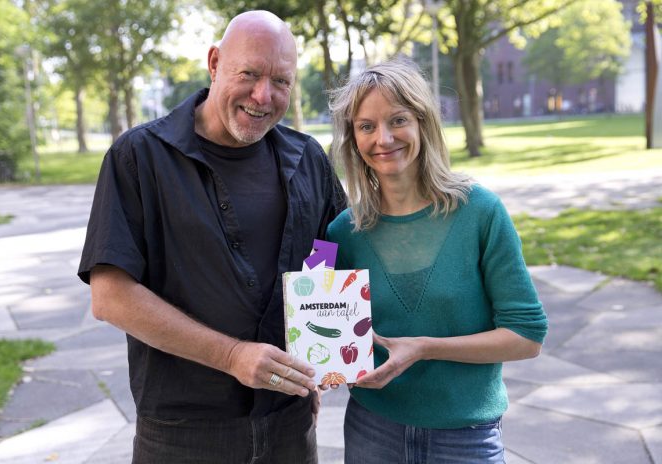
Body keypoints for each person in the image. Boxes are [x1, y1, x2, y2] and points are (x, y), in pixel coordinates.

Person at [78, 10, 346, 464]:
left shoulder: (309, 158)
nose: (263, 96)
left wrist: (319, 357)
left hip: (289, 423)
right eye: (250, 74)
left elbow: (326, 252)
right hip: (182, 434)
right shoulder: (139, 156)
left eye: (281, 81)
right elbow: (110, 296)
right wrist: (232, 356)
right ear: (215, 62)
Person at [326, 59, 548, 463]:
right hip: (372, 431)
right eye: (366, 126)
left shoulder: (480, 212)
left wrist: (425, 348)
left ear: (423, 123)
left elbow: (527, 336)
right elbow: (323, 330)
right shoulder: (342, 232)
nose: (384, 138)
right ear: (352, 138)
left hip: (465, 437)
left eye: (398, 120)